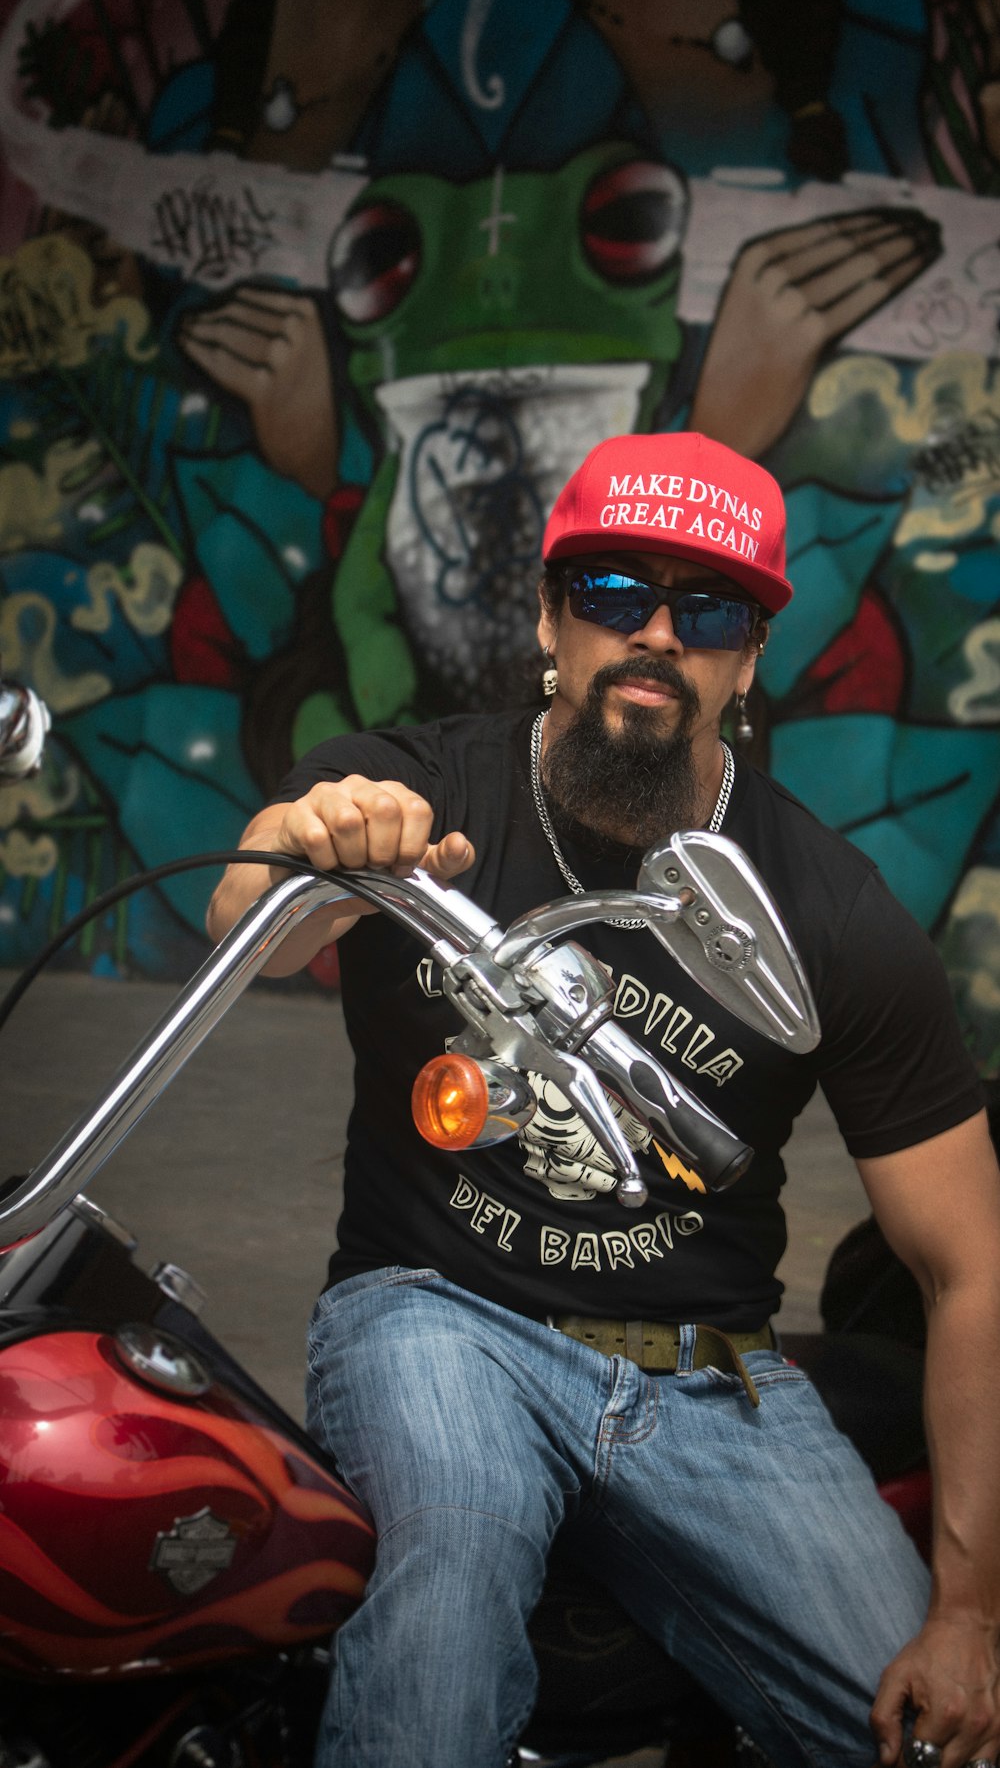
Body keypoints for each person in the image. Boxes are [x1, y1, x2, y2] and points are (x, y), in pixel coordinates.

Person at [207, 430, 1000, 1768]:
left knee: (927, 1736)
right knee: (442, 1599)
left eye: (706, 611)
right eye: (615, 595)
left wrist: (972, 1608)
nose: (654, 637)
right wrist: (313, 845)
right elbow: (247, 922)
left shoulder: (824, 910)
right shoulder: (422, 785)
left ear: (748, 659)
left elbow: (967, 1264)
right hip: (436, 1311)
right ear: (549, 618)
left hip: (708, 1377)